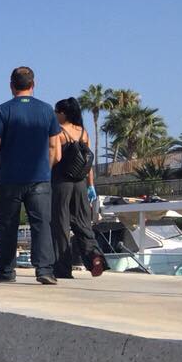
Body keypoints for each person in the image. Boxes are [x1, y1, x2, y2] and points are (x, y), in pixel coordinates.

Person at [0, 66, 61, 284]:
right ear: (33, 85)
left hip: (10, 178)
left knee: (8, 225)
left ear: (11, 86)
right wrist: (46, 168)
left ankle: (6, 270)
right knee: (42, 223)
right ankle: (44, 270)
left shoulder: (2, 110)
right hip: (40, 179)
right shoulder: (47, 111)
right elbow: (55, 147)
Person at [51, 98, 107, 279]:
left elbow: (56, 157)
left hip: (62, 183)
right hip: (81, 184)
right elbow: (88, 163)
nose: (54, 115)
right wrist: (91, 185)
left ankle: (62, 268)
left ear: (63, 113)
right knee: (83, 224)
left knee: (61, 226)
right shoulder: (83, 133)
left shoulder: (58, 132)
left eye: (56, 112)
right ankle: (94, 256)